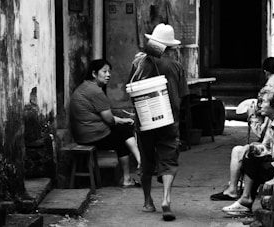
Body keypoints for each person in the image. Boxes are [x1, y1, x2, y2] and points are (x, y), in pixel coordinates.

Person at [210, 57, 274, 201]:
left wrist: (253, 116)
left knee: (251, 158)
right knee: (250, 151)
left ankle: (242, 195)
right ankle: (240, 194)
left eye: (264, 100)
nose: (261, 102)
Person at [129, 23, 189, 221]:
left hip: (145, 121)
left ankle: (148, 201)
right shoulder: (176, 66)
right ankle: (166, 198)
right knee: (169, 160)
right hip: (169, 120)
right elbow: (182, 96)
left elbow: (130, 90)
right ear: (170, 47)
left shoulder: (138, 63)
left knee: (146, 160)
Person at [221, 86, 274, 214]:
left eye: (264, 102)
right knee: (250, 154)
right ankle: (245, 200)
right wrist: (251, 147)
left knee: (253, 162)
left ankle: (245, 200)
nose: (260, 105)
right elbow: (267, 147)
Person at [69, 59, 141, 188]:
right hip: (91, 135)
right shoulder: (96, 92)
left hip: (82, 134)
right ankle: (131, 173)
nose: (108, 74)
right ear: (94, 74)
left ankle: (138, 163)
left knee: (123, 130)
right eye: (104, 71)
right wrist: (122, 121)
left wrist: (122, 120)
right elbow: (109, 120)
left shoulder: (85, 87)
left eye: (109, 72)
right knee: (124, 135)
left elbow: (101, 116)